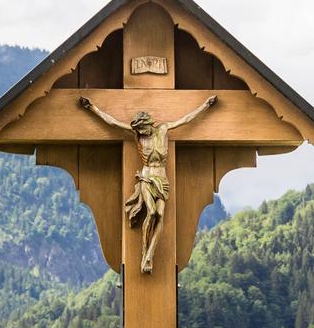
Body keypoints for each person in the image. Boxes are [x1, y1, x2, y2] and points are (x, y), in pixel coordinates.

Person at [78, 94, 217, 272]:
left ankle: (150, 253)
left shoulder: (163, 130)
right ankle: (145, 254)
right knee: (150, 213)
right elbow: (112, 122)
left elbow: (186, 120)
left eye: (143, 130)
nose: (142, 133)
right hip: (146, 178)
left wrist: (205, 106)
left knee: (160, 215)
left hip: (162, 180)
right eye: (139, 132)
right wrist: (92, 108)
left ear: (148, 124)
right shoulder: (138, 136)